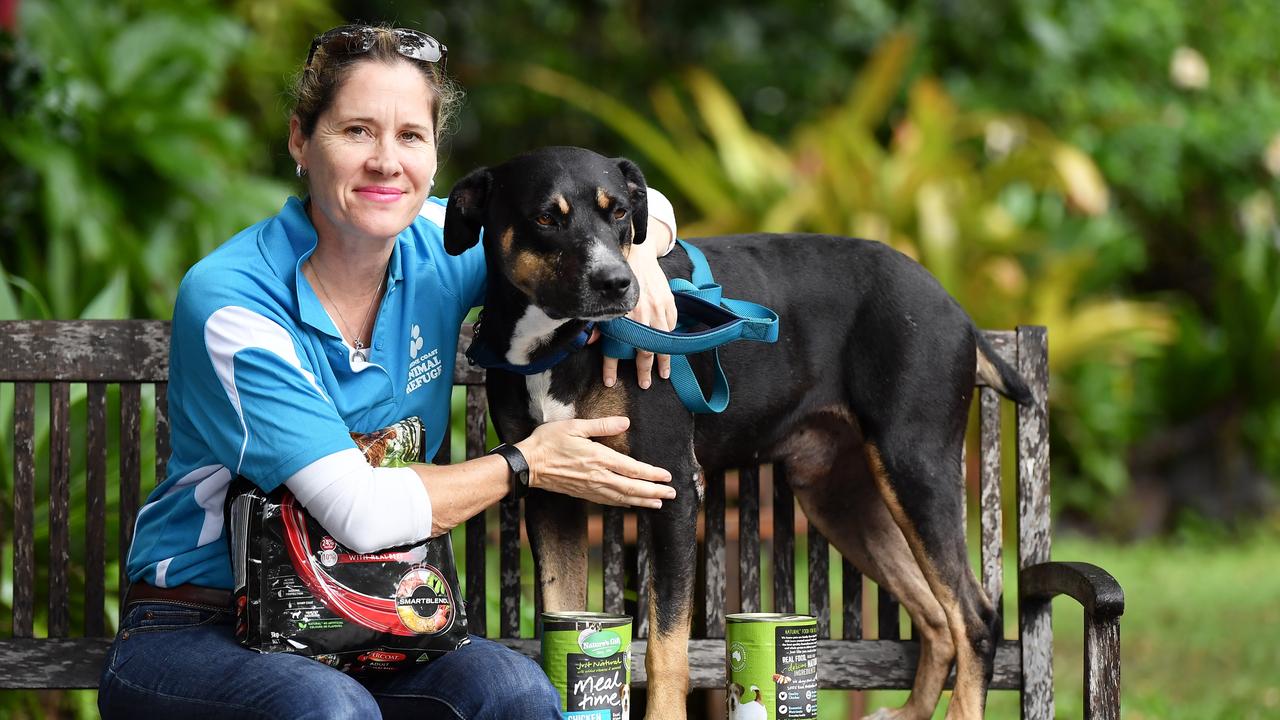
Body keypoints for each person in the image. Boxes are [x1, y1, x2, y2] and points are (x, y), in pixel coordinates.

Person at [99, 24, 681, 719]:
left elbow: (622, 200)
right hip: (202, 627)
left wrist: (640, 255)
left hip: (382, 619)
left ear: (435, 158)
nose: (386, 162)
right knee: (331, 710)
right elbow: (361, 513)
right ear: (299, 140)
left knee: (515, 694)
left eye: (411, 136)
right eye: (356, 131)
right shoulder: (233, 300)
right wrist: (528, 463)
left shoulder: (443, 252)